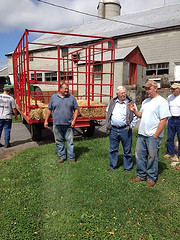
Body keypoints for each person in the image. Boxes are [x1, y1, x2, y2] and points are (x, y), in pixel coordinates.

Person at [128, 80, 171, 187]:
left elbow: (164, 120)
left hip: (153, 135)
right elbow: (141, 115)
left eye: (149, 88)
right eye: (146, 89)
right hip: (142, 134)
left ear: (155, 88)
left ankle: (151, 177)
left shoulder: (162, 102)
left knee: (152, 157)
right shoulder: (145, 101)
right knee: (140, 156)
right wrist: (134, 111)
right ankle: (141, 175)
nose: (147, 91)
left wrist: (155, 135)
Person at [106, 86, 139, 173]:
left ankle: (127, 168)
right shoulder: (113, 102)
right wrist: (109, 123)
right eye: (122, 93)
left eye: (125, 93)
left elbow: (136, 115)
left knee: (127, 150)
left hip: (125, 130)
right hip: (113, 129)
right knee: (113, 149)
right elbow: (107, 112)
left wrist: (131, 125)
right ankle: (113, 166)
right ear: (117, 94)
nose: (124, 94)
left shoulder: (130, 103)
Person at [44, 82, 78, 163]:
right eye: (65, 89)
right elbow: (49, 110)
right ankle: (62, 157)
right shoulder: (53, 97)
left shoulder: (72, 98)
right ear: (60, 89)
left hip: (69, 124)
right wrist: (46, 121)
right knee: (59, 141)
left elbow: (76, 109)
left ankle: (71, 157)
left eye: (67, 88)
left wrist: (74, 120)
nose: (67, 90)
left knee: (70, 141)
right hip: (57, 124)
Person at [164, 83, 180, 161]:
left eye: (174, 89)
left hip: (179, 119)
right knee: (170, 137)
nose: (172, 90)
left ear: (179, 89)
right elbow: (167, 108)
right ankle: (170, 153)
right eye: (172, 89)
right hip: (171, 119)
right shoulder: (170, 97)